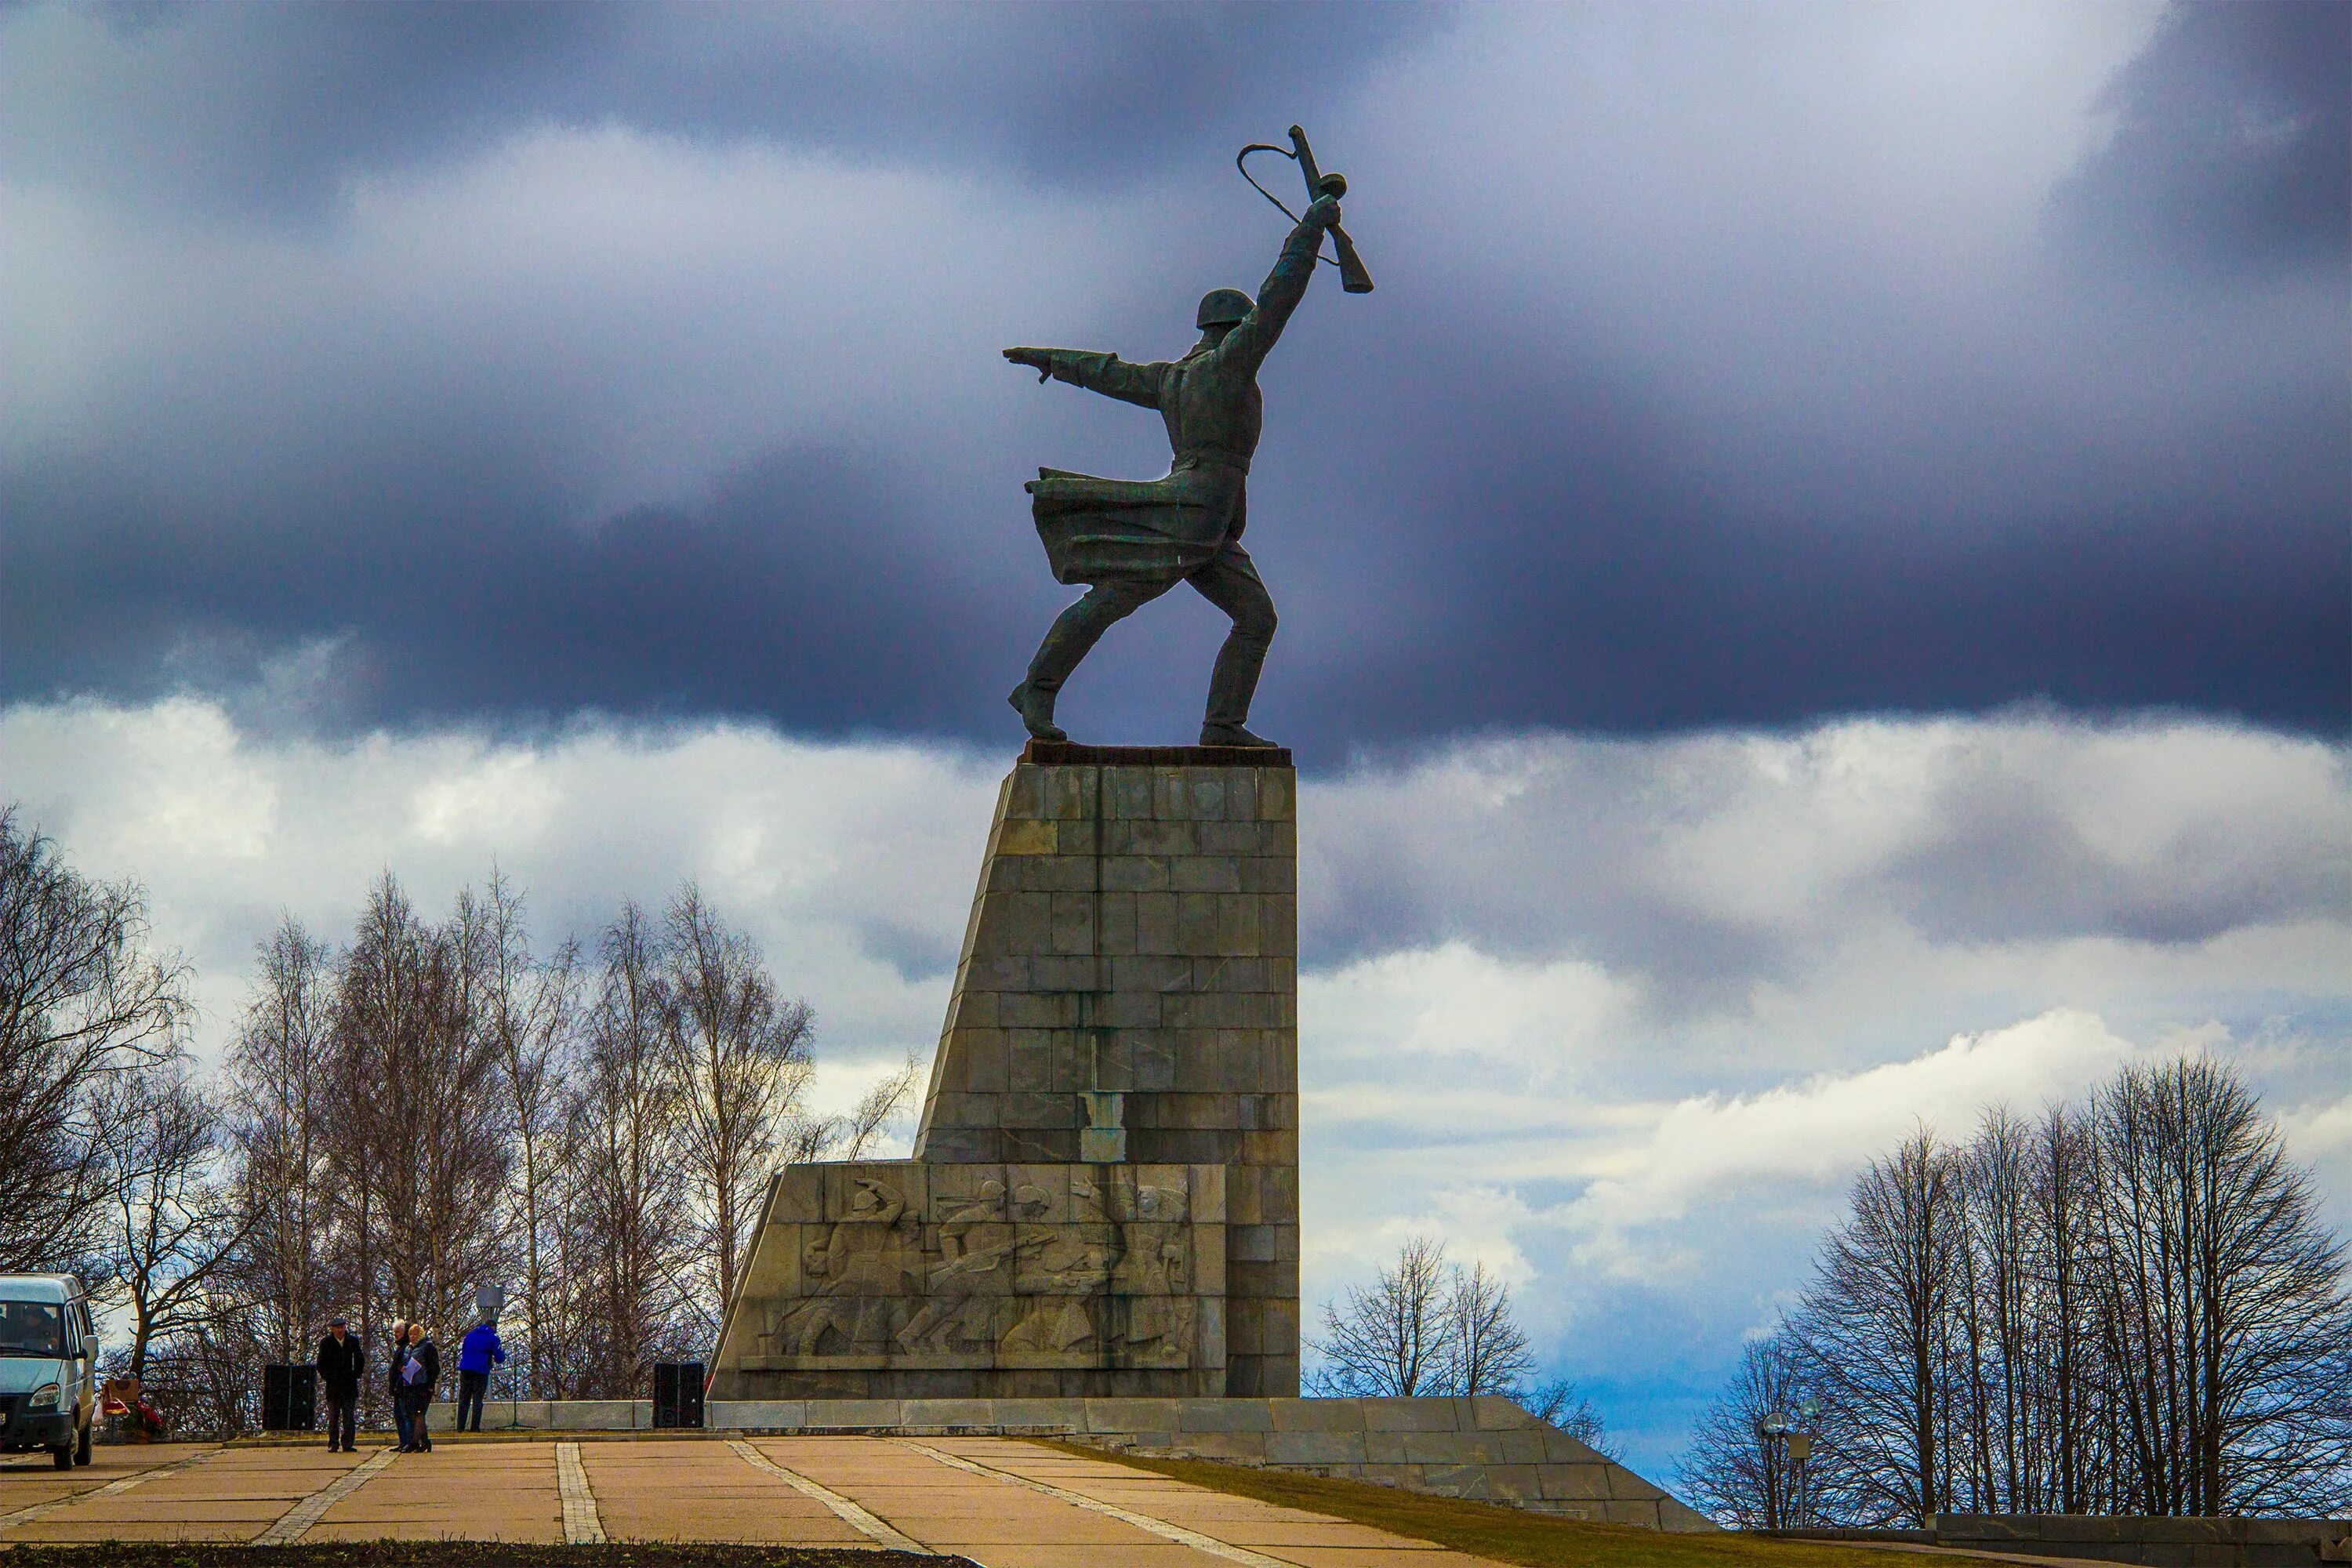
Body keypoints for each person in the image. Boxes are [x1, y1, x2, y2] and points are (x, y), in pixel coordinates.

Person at [1002, 192, 1343, 750]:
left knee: (1255, 617)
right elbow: (1279, 296)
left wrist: (1052, 360)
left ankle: (1222, 727)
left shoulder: (1170, 379)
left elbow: (1106, 373)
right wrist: (1311, 228)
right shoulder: (1228, 365)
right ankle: (1036, 688)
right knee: (1114, 599)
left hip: (1211, 520)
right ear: (1233, 330)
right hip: (1194, 514)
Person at [313, 1316, 363, 1452]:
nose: (340, 1330)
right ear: (333, 1329)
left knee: (349, 1417)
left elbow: (360, 1360)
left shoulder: (353, 1341)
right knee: (333, 1417)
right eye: (338, 1328)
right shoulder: (326, 1343)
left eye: (342, 1327)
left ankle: (348, 1443)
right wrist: (328, 1377)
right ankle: (333, 1443)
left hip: (349, 1386)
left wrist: (356, 1375)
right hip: (333, 1386)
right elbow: (321, 1364)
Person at [454, 1316, 504, 1432]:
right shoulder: (493, 1338)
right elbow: (499, 1357)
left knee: (464, 1398)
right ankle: (474, 1428)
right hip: (481, 1370)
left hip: (465, 1368)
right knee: (477, 1399)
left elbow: (464, 1350)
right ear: (493, 1327)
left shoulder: (470, 1335)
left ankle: (460, 1428)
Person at [398, 1321, 439, 1452]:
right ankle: (425, 1441)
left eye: (416, 1334)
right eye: (411, 1334)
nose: (413, 1337)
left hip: (422, 1386)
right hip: (409, 1385)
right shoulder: (408, 1348)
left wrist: (430, 1384)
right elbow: (402, 1363)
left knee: (419, 1413)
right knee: (413, 1414)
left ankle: (415, 1442)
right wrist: (403, 1368)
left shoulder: (428, 1347)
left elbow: (434, 1368)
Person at [386, 1319, 412, 1452]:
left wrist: (397, 1384)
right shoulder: (401, 1347)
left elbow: (403, 1368)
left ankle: (407, 1441)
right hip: (398, 1387)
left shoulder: (405, 1348)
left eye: (398, 1332)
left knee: (404, 1415)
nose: (395, 1335)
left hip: (402, 1387)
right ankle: (403, 1442)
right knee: (399, 1416)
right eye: (394, 1332)